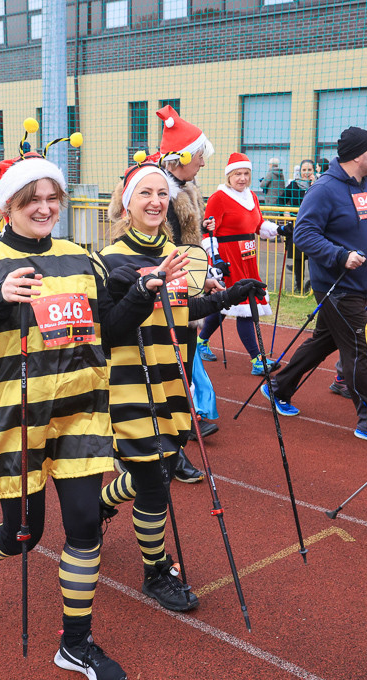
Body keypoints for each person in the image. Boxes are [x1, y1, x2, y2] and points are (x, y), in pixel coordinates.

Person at [0, 142, 185, 680]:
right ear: (8, 206)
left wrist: (145, 291)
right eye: (33, 199)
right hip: (14, 416)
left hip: (80, 413)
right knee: (24, 533)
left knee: (83, 528)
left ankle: (75, 645)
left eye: (54, 198)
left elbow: (112, 330)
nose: (46, 208)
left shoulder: (84, 258)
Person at [97, 153, 265, 613]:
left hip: (171, 379)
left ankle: (98, 503)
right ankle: (156, 570)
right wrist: (138, 291)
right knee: (154, 482)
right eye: (145, 194)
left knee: (163, 467)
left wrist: (228, 297)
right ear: (126, 204)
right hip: (129, 383)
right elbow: (107, 330)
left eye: (161, 194)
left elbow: (182, 313)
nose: (155, 201)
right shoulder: (108, 258)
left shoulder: (178, 255)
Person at [265, 126, 367, 445]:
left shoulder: (364, 185)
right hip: (338, 286)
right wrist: (341, 255)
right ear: (357, 154)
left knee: (324, 341)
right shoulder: (324, 188)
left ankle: (279, 386)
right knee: (359, 349)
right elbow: (305, 233)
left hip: (364, 285)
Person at [150, 105, 217, 479]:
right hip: (160, 299)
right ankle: (163, 451)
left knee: (181, 374)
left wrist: (200, 277)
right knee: (164, 374)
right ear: (182, 157)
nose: (203, 165)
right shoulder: (156, 193)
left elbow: (188, 248)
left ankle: (172, 449)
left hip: (183, 298)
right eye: (200, 157)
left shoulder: (187, 190)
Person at [197, 153, 279, 375]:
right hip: (228, 258)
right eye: (237, 174)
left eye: (246, 174)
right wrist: (216, 260)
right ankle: (257, 359)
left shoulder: (252, 196)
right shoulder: (218, 198)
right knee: (244, 304)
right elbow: (207, 233)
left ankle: (200, 341)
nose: (242, 178)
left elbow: (259, 225)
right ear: (229, 176)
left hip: (247, 257)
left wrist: (280, 230)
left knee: (225, 304)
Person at [279, 159, 315, 294]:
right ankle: (298, 286)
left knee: (313, 259)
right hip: (297, 227)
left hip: (313, 228)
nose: (306, 173)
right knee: (298, 260)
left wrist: (314, 183)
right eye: (304, 170)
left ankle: (313, 287)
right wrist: (285, 211)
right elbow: (281, 200)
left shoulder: (317, 185)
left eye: (309, 170)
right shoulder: (294, 185)